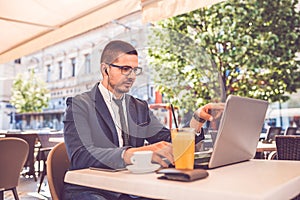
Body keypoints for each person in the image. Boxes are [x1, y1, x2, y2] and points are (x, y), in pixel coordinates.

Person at [63, 40, 220, 200]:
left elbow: (167, 140)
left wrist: (197, 120)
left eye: (134, 70)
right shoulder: (79, 105)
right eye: (125, 69)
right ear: (105, 69)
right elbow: (80, 155)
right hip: (91, 190)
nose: (131, 76)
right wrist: (135, 154)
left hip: (131, 187)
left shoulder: (139, 107)